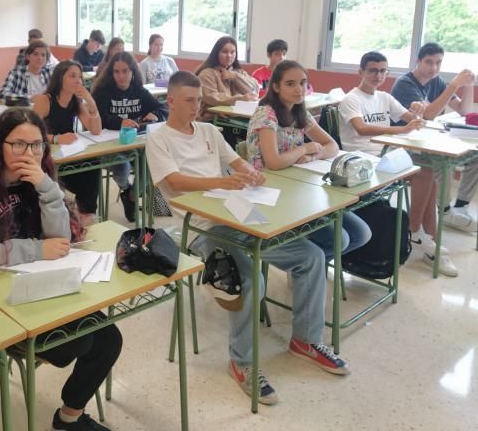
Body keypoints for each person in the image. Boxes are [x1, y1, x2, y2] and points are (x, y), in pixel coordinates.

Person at [146, 71, 350, 406]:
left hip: (238, 213)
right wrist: (219, 182)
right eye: (188, 100)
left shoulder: (210, 131)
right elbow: (173, 181)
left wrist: (249, 172)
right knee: (249, 276)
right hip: (202, 227)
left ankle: (305, 341)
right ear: (169, 101)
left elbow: (235, 160)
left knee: (310, 256)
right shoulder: (159, 138)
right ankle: (241, 363)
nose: (196, 106)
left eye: (199, 100)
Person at [0, 108, 121, 431]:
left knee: (108, 339)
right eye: (18, 144)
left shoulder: (38, 173)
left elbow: (60, 238)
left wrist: (47, 188)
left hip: (34, 281)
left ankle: (69, 418)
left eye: (37, 145)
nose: (29, 153)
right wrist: (35, 249)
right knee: (73, 343)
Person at [246, 60, 371, 261]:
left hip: (296, 186)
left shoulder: (299, 110)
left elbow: (332, 146)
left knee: (361, 234)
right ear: (276, 87)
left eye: (303, 83)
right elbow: (274, 162)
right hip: (270, 191)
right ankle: (307, 267)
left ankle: (311, 266)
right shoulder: (266, 113)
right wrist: (304, 147)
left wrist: (314, 155)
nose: (299, 89)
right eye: (290, 83)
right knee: (340, 240)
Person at [337, 51, 447, 274]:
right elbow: (362, 128)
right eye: (373, 70)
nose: (378, 75)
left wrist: (418, 110)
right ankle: (415, 230)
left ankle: (428, 236)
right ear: (361, 72)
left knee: (430, 175)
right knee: (424, 173)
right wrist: (400, 129)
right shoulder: (351, 99)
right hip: (363, 159)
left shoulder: (385, 97)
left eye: (382, 71)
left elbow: (413, 120)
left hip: (386, 155)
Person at [392, 42, 477, 275]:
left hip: (423, 146)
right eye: (429, 62)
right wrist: (452, 86)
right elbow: (428, 115)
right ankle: (425, 232)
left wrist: (469, 86)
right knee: (430, 171)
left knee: (440, 168)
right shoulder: (405, 83)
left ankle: (427, 232)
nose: (434, 67)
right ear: (418, 61)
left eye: (438, 62)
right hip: (400, 146)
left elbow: (464, 111)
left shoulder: (437, 82)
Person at [92, 52, 166, 221]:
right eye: (116, 72)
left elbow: (163, 108)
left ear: (133, 71)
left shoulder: (139, 91)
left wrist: (155, 114)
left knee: (152, 161)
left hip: (135, 144)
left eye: (125, 71)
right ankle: (126, 189)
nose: (121, 76)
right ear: (111, 73)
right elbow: (99, 120)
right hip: (109, 146)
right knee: (123, 167)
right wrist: (120, 122)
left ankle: (132, 195)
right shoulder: (103, 93)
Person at [33, 60, 101, 227]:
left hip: (68, 154)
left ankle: (86, 213)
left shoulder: (75, 102)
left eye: (79, 76)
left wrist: (91, 103)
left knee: (93, 163)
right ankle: (75, 213)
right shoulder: (45, 100)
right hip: (48, 155)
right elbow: (31, 132)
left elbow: (96, 130)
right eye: (72, 76)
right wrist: (56, 138)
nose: (78, 80)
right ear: (59, 78)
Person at [195, 35, 259, 119]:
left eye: (232, 52)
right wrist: (240, 99)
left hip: (236, 118)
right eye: (224, 52)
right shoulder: (207, 73)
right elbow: (211, 97)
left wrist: (235, 77)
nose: (229, 56)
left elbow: (254, 89)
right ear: (216, 53)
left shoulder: (238, 72)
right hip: (211, 119)